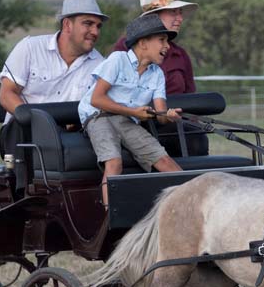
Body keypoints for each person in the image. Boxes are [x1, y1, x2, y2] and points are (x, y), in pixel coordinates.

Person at [78, 14, 184, 205]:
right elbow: (97, 99)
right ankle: (110, 215)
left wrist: (169, 116)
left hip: (126, 120)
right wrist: (134, 113)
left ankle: (189, 205)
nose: (167, 46)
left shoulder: (157, 74)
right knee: (114, 163)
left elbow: (160, 114)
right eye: (162, 40)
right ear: (143, 43)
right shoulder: (117, 60)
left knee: (166, 162)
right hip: (98, 116)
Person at [0, 0, 107, 116]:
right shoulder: (30, 48)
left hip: (71, 134)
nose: (95, 32)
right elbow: (7, 94)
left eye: (98, 26)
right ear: (67, 25)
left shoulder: (101, 65)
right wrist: (35, 121)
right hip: (23, 130)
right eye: (88, 23)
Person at [111, 0, 198, 95]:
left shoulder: (180, 54)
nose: (180, 18)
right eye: (173, 12)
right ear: (153, 16)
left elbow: (190, 98)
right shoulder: (124, 48)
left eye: (180, 12)